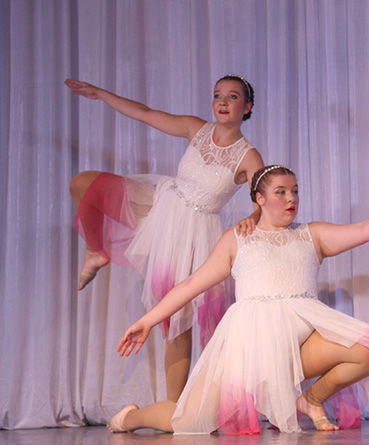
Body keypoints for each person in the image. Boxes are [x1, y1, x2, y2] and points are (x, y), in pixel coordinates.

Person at [107, 165, 369, 434]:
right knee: (189, 423)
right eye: (280, 192)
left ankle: (310, 400)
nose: (290, 198)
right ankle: (129, 418)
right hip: (248, 349)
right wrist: (147, 321)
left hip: (299, 342)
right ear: (260, 199)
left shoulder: (311, 235)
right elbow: (191, 284)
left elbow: (364, 229)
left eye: (294, 191)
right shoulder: (238, 239)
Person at [65, 75, 264, 402]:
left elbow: (263, 198)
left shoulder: (248, 156)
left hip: (195, 236)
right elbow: (144, 113)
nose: (223, 102)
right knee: (83, 183)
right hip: (162, 205)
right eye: (218, 95)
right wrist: (100, 93)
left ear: (247, 107)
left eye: (232, 97)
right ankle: (95, 250)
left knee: (177, 321)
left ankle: (173, 407)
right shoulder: (195, 128)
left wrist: (253, 217)